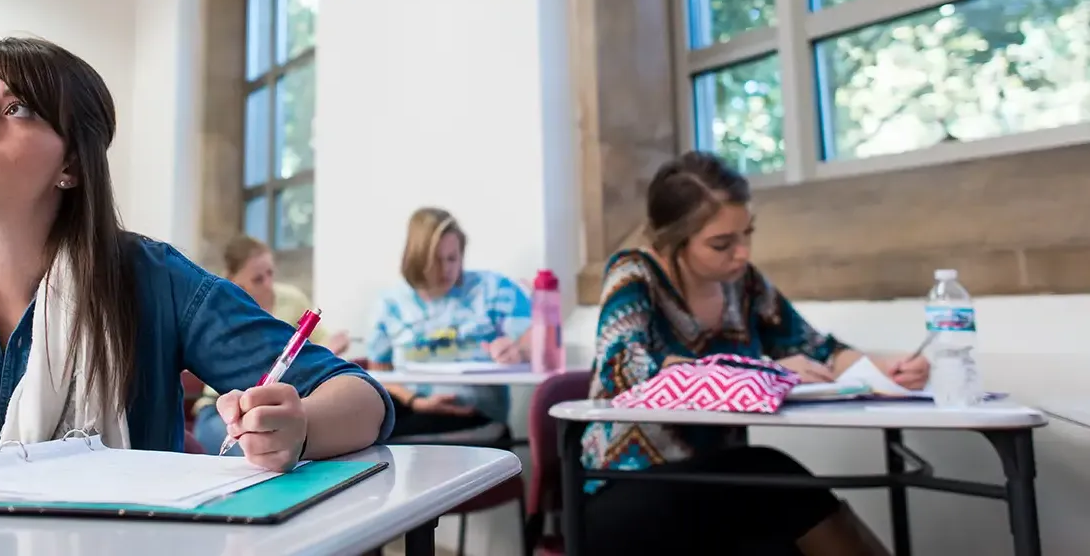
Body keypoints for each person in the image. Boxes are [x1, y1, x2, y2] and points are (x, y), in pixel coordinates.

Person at [0, 38, 391, 472]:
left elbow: (362, 398)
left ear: (71, 166)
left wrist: (299, 427)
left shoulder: (152, 280)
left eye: (16, 107)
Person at [580, 151, 929, 555]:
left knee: (780, 520)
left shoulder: (744, 286)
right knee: (776, 477)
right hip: (625, 488)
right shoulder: (634, 274)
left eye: (747, 233)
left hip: (716, 487)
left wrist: (882, 371)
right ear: (673, 240)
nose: (742, 252)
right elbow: (624, 368)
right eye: (721, 244)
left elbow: (818, 350)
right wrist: (764, 372)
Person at [364, 207, 529, 438]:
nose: (446, 270)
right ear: (417, 258)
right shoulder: (390, 304)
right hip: (411, 409)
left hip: (474, 413)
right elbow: (379, 374)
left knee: (382, 439)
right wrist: (415, 401)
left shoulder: (492, 290)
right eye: (435, 261)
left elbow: (538, 341)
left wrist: (518, 350)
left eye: (452, 258)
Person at [191, 235, 351, 453]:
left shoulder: (291, 299)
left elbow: (324, 343)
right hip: (221, 409)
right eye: (258, 279)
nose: (269, 285)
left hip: (276, 409)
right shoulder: (222, 311)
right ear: (234, 282)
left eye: (270, 274)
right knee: (255, 452)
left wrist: (327, 352)